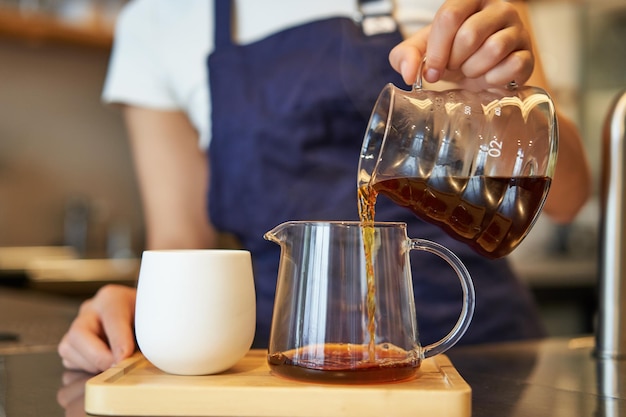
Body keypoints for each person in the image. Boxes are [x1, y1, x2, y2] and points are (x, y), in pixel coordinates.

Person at [59, 0, 592, 374]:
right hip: (282, 359)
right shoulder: (158, 20)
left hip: (482, 353)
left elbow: (569, 198)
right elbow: (181, 244)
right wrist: (145, 312)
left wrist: (504, 107)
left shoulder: (467, 10)